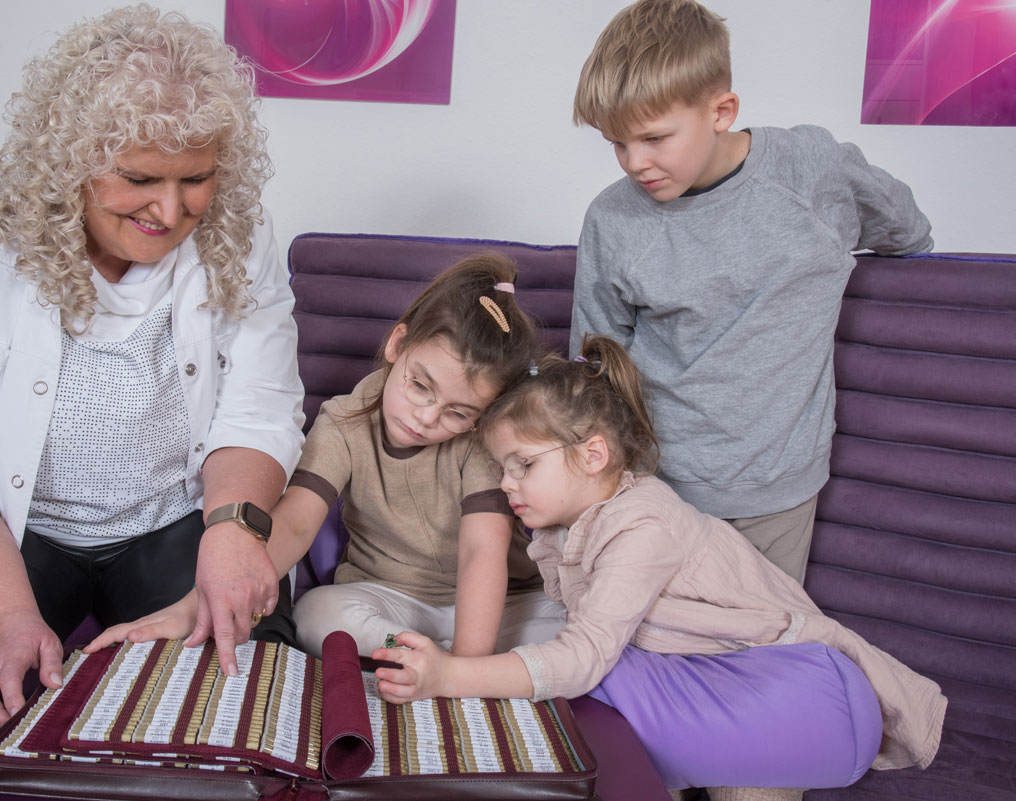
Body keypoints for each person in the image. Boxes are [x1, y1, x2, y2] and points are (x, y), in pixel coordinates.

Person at [0, 7, 305, 801]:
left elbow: (260, 405)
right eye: (139, 179)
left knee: (242, 664)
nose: (170, 211)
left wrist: (233, 530)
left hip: (167, 521)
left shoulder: (237, 234)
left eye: (194, 178)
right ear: (70, 161)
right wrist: (8, 617)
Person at [370, 337, 947, 801]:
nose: (506, 483)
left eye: (522, 464)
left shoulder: (644, 524)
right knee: (588, 682)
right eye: (502, 467)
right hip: (719, 681)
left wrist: (450, 677)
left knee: (590, 674)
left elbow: (584, 657)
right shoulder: (561, 528)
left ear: (593, 455)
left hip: (805, 692)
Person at [569, 0, 934, 583]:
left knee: (765, 631)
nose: (635, 163)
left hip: (777, 488)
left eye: (655, 138)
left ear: (721, 111)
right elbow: (594, 362)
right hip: (651, 486)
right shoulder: (612, 218)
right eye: (617, 143)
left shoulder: (810, 171)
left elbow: (907, 230)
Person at [88, 253, 567, 671]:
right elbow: (295, 525)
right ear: (397, 344)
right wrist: (193, 607)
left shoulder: (480, 440)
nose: (427, 418)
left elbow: (482, 552)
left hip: (496, 604)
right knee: (318, 616)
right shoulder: (343, 423)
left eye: (457, 412)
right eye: (420, 386)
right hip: (389, 603)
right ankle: (422, 653)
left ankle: (449, 661)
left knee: (572, 627)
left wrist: (464, 669)